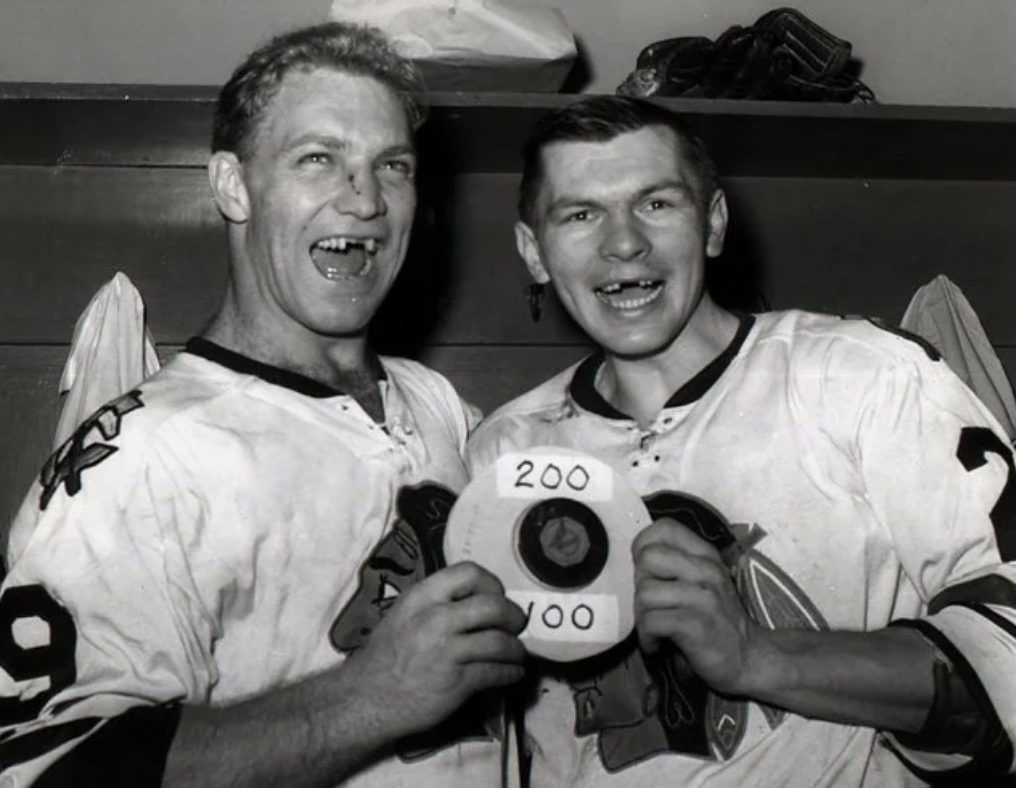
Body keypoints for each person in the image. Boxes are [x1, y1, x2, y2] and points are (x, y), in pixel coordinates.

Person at [0, 21, 527, 788]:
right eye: (319, 159)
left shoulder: (436, 403)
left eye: (393, 165)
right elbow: (49, 765)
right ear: (232, 185)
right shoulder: (146, 454)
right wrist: (368, 698)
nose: (366, 199)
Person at [464, 95, 1016, 787]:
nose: (624, 242)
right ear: (532, 253)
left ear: (714, 223)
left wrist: (756, 655)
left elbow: (1006, 646)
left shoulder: (860, 373)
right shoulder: (501, 450)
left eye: (657, 203)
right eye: (580, 214)